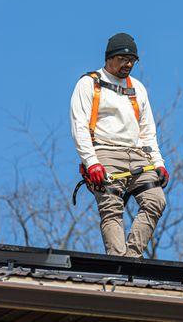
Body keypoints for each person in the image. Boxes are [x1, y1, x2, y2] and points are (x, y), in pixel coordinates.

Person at [70, 32, 168, 257]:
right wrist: (91, 162)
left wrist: (158, 163)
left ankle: (131, 258)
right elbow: (80, 127)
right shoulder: (90, 84)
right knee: (112, 208)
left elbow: (147, 131)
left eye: (133, 60)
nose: (129, 64)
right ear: (109, 58)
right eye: (123, 59)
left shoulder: (137, 88)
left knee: (155, 200)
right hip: (105, 153)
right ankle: (118, 261)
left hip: (137, 155)